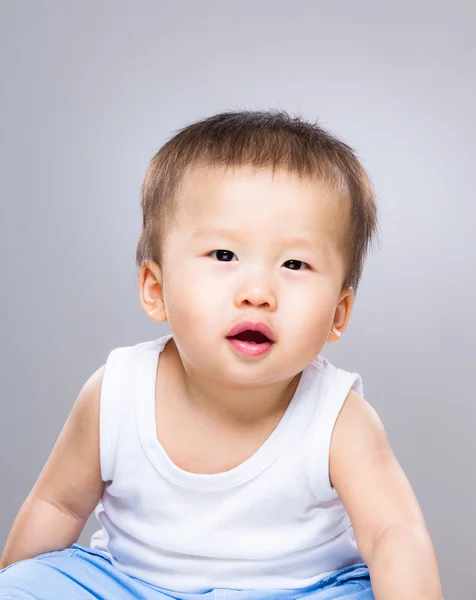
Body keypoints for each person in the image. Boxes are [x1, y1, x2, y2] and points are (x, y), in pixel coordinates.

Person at [0, 111, 442, 600]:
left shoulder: (339, 417)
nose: (257, 292)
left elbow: (391, 534)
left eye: (295, 263)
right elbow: (57, 506)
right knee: (28, 584)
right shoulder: (117, 391)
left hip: (296, 592)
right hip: (131, 587)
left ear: (338, 313)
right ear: (155, 288)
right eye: (224, 256)